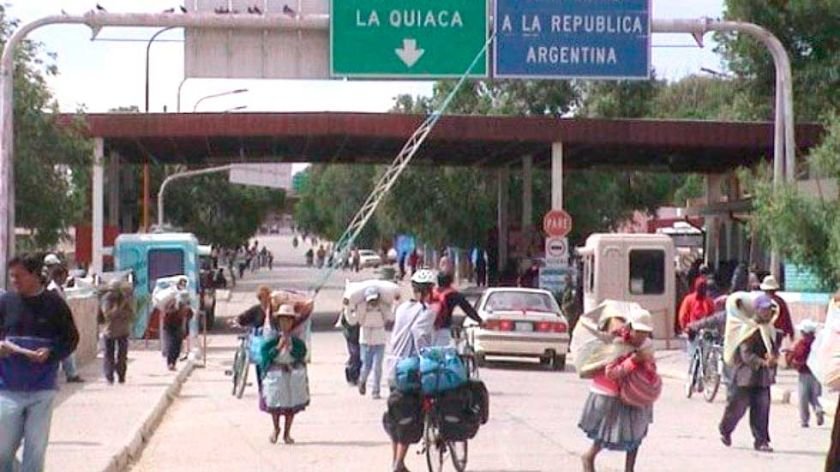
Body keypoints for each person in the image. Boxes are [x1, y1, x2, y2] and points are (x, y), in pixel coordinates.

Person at [0, 254, 79, 472]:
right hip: (7, 389)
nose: (14, 281)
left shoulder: (55, 305)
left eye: (19, 276)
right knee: (3, 450)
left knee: (35, 449)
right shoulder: (5, 303)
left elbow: (71, 339)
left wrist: (52, 353)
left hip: (41, 390)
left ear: (35, 275)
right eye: (11, 277)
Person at [579, 309, 656, 472]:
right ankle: (589, 458)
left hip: (638, 394)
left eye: (645, 332)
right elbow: (611, 373)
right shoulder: (618, 343)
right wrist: (633, 361)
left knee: (636, 435)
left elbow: (652, 369)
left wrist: (647, 367)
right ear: (631, 328)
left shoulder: (647, 345)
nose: (641, 336)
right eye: (638, 331)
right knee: (606, 433)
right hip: (614, 394)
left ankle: (629, 469)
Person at [384, 269, 437, 472]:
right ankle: (398, 463)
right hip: (410, 368)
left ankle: (396, 460)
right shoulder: (427, 311)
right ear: (429, 290)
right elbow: (419, 334)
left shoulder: (402, 308)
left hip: (392, 367)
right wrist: (427, 354)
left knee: (397, 413)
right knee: (409, 414)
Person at [719, 294, 778, 452]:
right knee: (736, 409)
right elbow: (746, 354)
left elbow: (773, 349)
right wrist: (762, 362)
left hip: (762, 378)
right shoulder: (748, 329)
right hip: (745, 378)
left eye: (768, 309)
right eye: (763, 309)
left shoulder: (770, 329)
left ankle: (761, 441)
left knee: (762, 409)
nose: (766, 312)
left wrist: (774, 359)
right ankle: (725, 430)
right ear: (756, 310)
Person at [258, 303, 311, 445]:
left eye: (288, 320)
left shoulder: (297, 342)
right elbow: (265, 356)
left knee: (290, 405)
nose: (285, 323)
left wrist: (291, 348)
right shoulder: (271, 341)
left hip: (291, 375)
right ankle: (276, 428)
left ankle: (287, 433)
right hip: (276, 375)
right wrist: (278, 348)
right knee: (275, 404)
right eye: (282, 320)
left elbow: (301, 354)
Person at [346, 286, 395, 400]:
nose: (373, 303)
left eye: (374, 300)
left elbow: (391, 317)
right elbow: (352, 320)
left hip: (380, 339)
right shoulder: (362, 307)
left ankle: (376, 391)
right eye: (371, 300)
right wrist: (347, 308)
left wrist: (396, 304)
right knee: (366, 366)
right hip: (366, 340)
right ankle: (362, 380)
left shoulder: (382, 307)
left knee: (378, 366)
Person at [44, 256, 84, 384]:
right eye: (64, 277)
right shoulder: (53, 290)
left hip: (60, 324)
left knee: (66, 350)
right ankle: (67, 375)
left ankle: (71, 374)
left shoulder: (58, 288)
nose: (65, 279)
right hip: (55, 325)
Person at [233, 286, 275, 389]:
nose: (264, 301)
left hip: (270, 341)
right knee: (259, 363)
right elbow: (243, 317)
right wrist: (236, 320)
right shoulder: (256, 310)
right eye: (261, 298)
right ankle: (261, 386)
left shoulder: (274, 311)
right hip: (258, 341)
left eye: (266, 298)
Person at [785, 319, 825, 428]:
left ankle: (804, 420)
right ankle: (818, 409)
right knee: (814, 396)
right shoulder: (818, 343)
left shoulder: (802, 344)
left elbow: (796, 357)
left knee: (803, 398)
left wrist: (790, 357)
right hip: (817, 374)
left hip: (804, 374)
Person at [431, 272, 483, 346]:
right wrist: (479, 321)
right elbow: (467, 308)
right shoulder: (453, 294)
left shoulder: (432, 293)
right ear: (450, 282)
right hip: (444, 330)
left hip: (429, 329)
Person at [98, 280, 134, 385]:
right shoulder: (107, 299)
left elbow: (131, 315)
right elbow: (108, 315)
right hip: (109, 331)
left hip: (123, 330)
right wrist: (120, 307)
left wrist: (123, 307)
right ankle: (109, 377)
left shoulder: (125, 299)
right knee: (109, 355)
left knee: (122, 355)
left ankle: (121, 376)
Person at [760, 275, 795, 346]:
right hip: (778, 333)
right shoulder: (780, 301)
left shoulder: (760, 300)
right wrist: (791, 332)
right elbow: (787, 318)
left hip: (763, 332)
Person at [161, 294, 191, 371]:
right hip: (169, 327)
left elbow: (189, 317)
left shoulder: (186, 308)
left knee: (177, 346)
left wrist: (185, 330)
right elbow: (166, 314)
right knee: (171, 344)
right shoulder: (172, 304)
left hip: (178, 327)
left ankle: (173, 363)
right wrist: (174, 310)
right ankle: (170, 363)